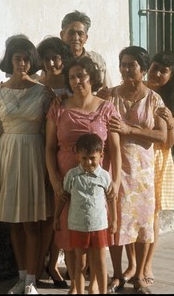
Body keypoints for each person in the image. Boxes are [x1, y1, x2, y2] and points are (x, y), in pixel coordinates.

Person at [0, 35, 56, 295]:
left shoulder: (44, 93)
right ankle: (21, 277)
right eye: (16, 58)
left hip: (33, 156)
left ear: (32, 61)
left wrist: (48, 169)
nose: (21, 62)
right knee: (14, 222)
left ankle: (32, 280)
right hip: (7, 156)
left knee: (31, 222)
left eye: (26, 58)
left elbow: (50, 133)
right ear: (9, 61)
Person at [46, 56, 122, 294]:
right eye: (72, 77)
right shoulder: (58, 107)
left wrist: (116, 181)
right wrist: (54, 178)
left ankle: (96, 286)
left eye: (82, 75)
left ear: (91, 77)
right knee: (69, 232)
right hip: (66, 180)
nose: (77, 80)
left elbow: (115, 149)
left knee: (95, 228)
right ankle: (75, 286)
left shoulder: (106, 108)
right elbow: (49, 147)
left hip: (96, 181)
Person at [97, 46, 167, 294]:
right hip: (115, 167)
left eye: (132, 65)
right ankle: (116, 273)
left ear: (143, 69)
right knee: (115, 222)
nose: (126, 69)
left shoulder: (154, 99)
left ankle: (139, 274)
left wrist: (130, 130)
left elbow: (161, 134)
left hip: (143, 171)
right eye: (123, 64)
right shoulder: (109, 95)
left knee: (141, 223)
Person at [119, 51, 174, 287]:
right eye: (154, 67)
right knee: (127, 211)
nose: (157, 73)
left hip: (156, 158)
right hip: (131, 158)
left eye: (163, 71)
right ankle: (132, 264)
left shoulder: (167, 100)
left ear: (171, 76)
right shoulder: (134, 90)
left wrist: (172, 125)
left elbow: (168, 141)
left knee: (150, 214)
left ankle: (146, 265)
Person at [54, 133, 117, 294]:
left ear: (101, 155)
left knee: (100, 264)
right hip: (78, 226)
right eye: (83, 158)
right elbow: (63, 197)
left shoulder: (104, 176)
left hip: (99, 226)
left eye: (92, 158)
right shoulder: (72, 176)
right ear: (77, 156)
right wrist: (56, 216)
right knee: (80, 265)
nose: (88, 163)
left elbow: (111, 199)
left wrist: (114, 220)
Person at [34, 36, 73, 289]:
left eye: (56, 57)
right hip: (40, 148)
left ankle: (59, 263)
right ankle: (43, 264)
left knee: (63, 209)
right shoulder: (37, 84)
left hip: (67, 153)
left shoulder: (72, 83)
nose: (51, 62)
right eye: (46, 58)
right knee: (47, 212)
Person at [60, 10, 110, 89]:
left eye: (80, 34)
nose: (76, 38)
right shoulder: (55, 62)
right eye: (71, 33)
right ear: (62, 35)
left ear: (86, 38)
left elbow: (107, 89)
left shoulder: (96, 60)